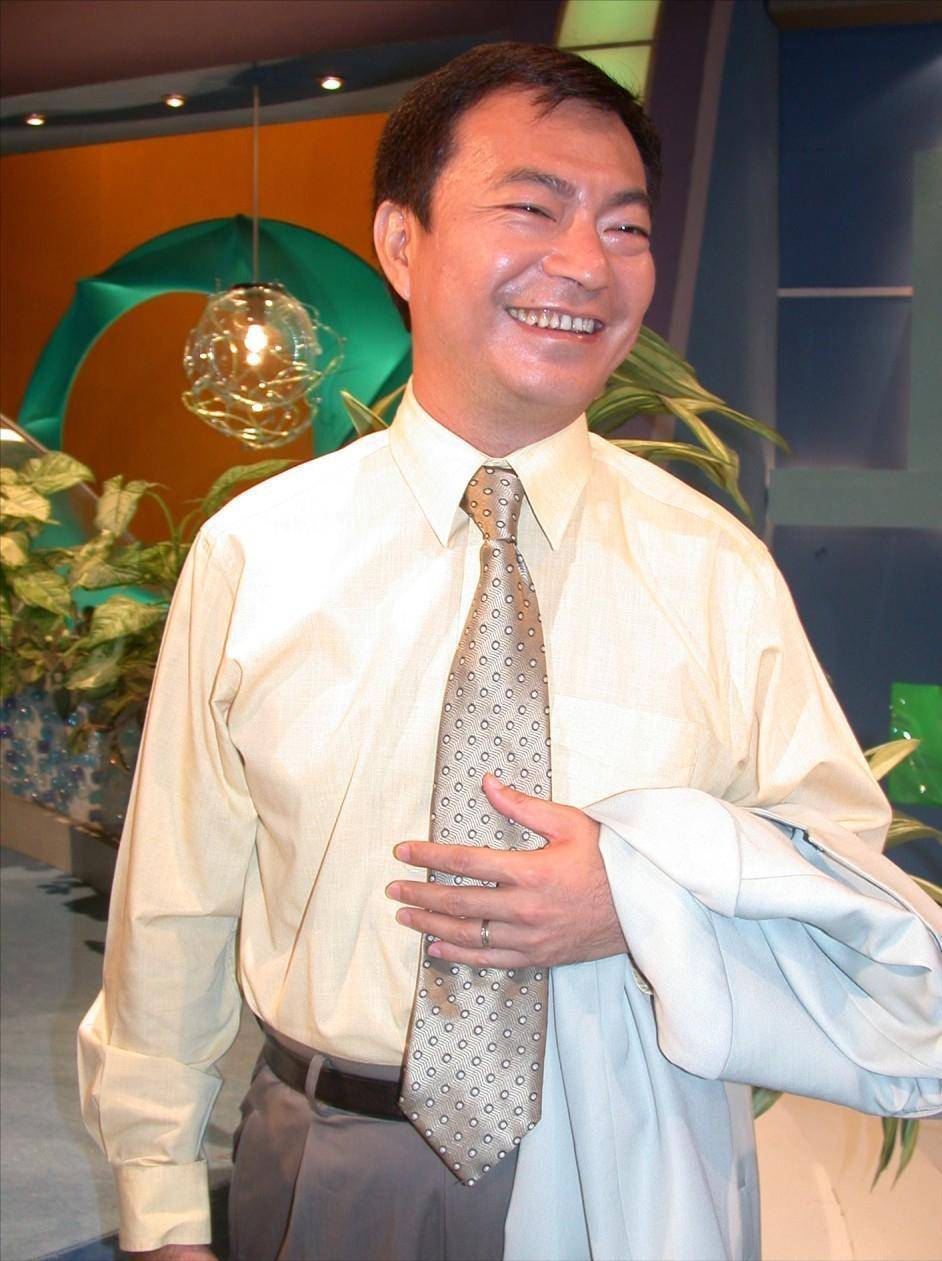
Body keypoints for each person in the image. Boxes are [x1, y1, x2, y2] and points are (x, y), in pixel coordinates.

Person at [79, 41, 942, 1261]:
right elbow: (174, 898)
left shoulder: (714, 568)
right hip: (336, 1160)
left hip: (630, 1159)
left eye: (625, 226)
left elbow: (840, 881)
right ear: (401, 242)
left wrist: (641, 899)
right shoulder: (257, 553)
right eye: (533, 208)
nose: (586, 263)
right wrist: (159, 1196)